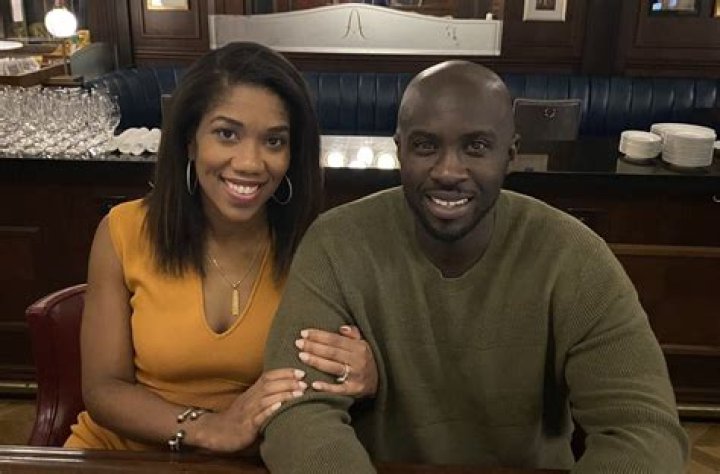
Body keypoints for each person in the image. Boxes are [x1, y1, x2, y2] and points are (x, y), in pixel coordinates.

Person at [260, 60, 688, 472]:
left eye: (476, 147)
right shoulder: (336, 244)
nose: (449, 171)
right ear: (400, 150)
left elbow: (644, 430)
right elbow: (298, 414)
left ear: (510, 153)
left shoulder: (575, 256)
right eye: (425, 145)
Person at [64, 42, 377, 452]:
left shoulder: (318, 247)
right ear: (190, 141)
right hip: (115, 455)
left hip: (244, 461)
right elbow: (103, 389)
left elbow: (329, 389)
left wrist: (367, 375)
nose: (250, 163)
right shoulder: (122, 231)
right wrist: (208, 427)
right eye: (227, 134)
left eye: (274, 141)